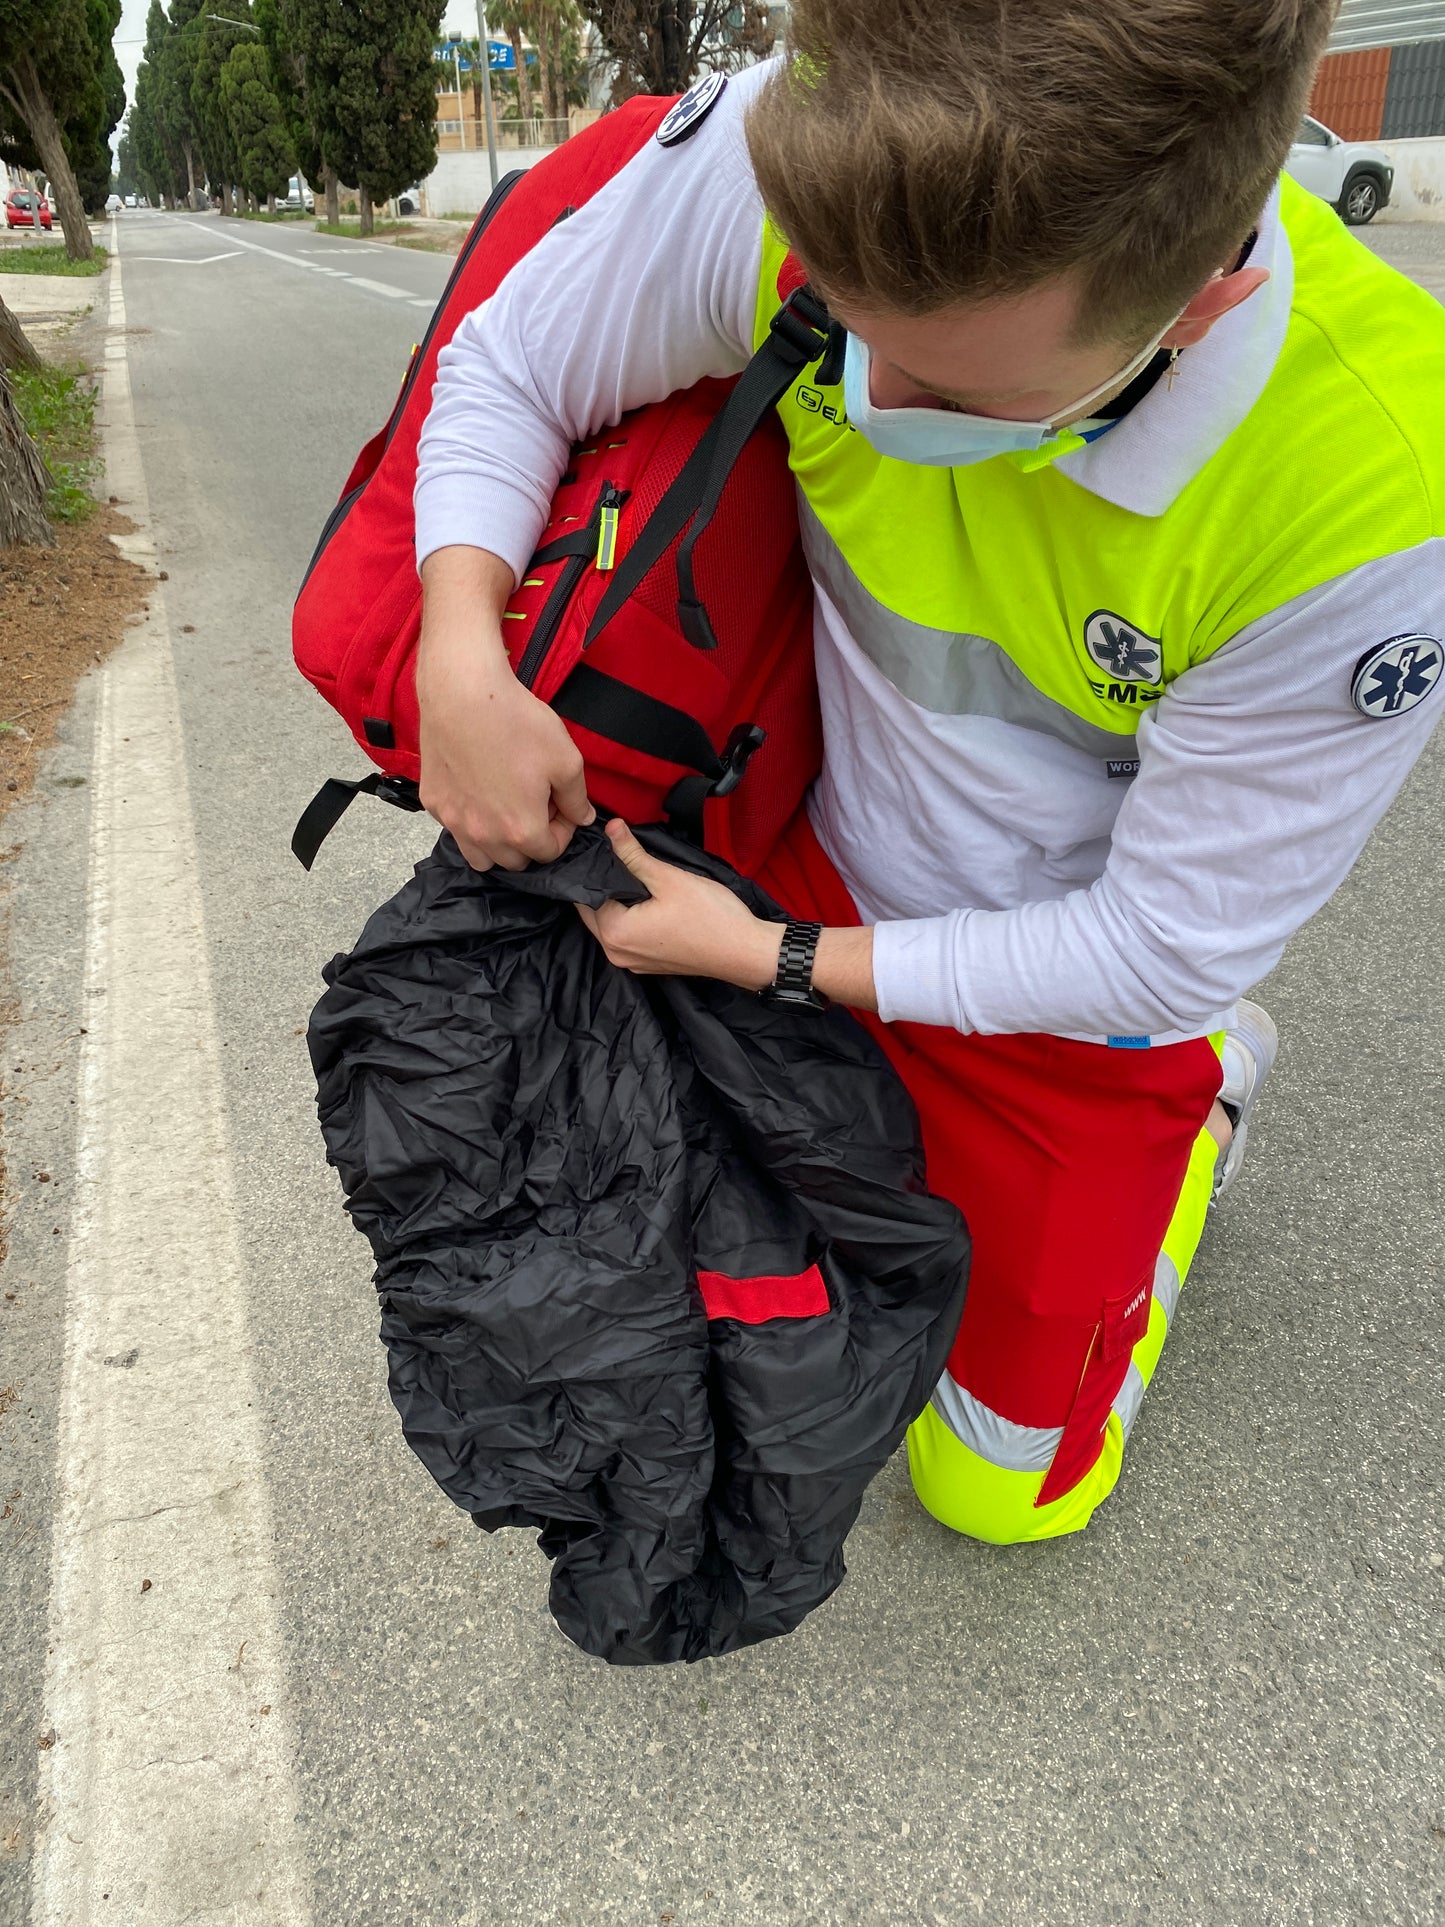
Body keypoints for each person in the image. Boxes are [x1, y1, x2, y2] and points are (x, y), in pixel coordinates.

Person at [409, 0, 1445, 1545]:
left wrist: (772, 960)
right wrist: (458, 651)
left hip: (1056, 989)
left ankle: (1204, 1112)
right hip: (798, 847)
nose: (879, 406)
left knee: (994, 1496)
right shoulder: (812, 145)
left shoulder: (1371, 498)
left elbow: (1160, 947)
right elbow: (511, 364)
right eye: (847, 323)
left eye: (960, 397)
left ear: (1204, 301)